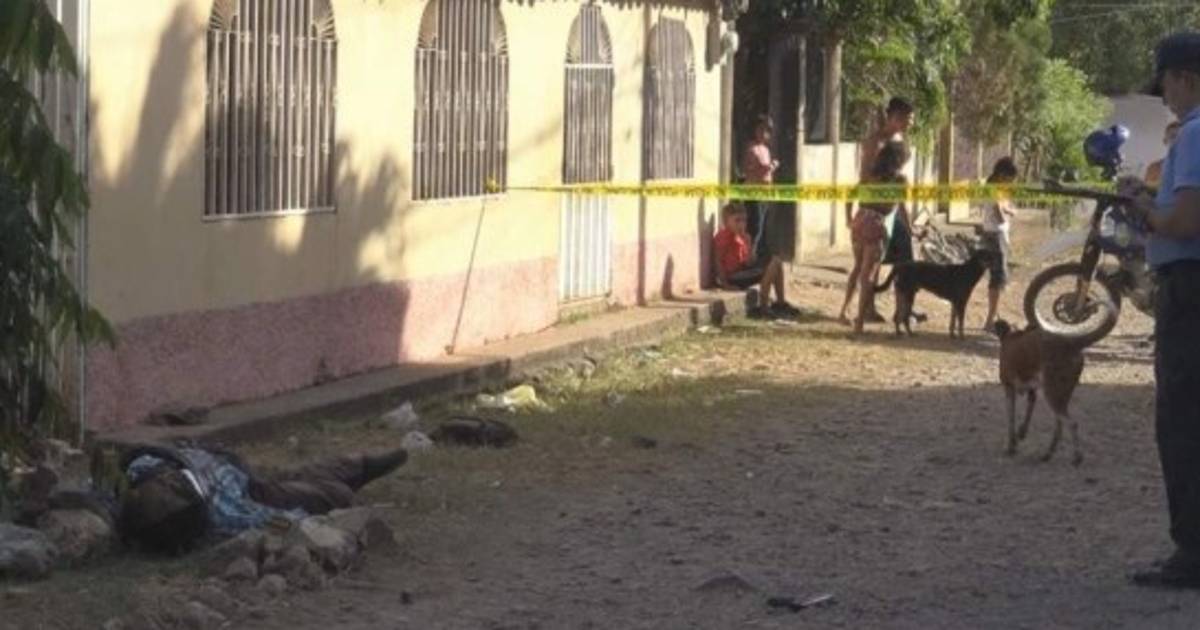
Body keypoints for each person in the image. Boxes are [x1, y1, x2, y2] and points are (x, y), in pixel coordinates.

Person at [1121, 31, 1200, 589]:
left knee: (1182, 421)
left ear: (1186, 78)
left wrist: (1144, 211)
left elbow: (1186, 222)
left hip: (1189, 290)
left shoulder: (1194, 134)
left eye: (1167, 84)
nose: (1165, 97)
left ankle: (1192, 554)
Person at [116, 443, 408, 554]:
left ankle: (360, 466)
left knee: (298, 478)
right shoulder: (222, 514)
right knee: (323, 490)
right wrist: (308, 525)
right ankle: (358, 470)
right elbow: (269, 521)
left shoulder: (143, 468)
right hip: (246, 483)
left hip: (236, 469)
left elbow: (265, 520)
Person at [849, 97, 915, 322]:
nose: (909, 125)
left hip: (894, 209)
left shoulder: (900, 140)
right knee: (869, 265)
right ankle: (866, 310)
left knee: (904, 260)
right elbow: (864, 179)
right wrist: (889, 185)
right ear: (895, 117)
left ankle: (903, 309)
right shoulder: (874, 143)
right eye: (907, 120)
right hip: (875, 211)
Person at [839, 140, 910, 333]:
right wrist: (911, 230)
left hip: (860, 220)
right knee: (868, 276)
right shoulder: (899, 181)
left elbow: (850, 196)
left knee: (857, 268)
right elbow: (902, 209)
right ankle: (859, 323)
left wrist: (849, 219)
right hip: (877, 225)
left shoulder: (869, 175)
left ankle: (844, 311)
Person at [714, 202, 798, 319]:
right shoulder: (723, 236)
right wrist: (725, 284)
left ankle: (780, 303)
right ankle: (763, 308)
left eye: (744, 221)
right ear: (726, 222)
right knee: (773, 263)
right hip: (733, 277)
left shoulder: (743, 237)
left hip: (743, 271)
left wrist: (748, 244)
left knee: (777, 261)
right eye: (737, 221)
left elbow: (749, 262)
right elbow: (717, 261)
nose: (741, 224)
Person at [980, 157, 1019, 331]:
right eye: (1010, 179)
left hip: (991, 234)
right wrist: (1011, 211)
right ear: (1002, 175)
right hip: (996, 235)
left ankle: (993, 316)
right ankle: (990, 321)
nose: (1011, 183)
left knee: (996, 278)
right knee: (997, 279)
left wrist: (1007, 208)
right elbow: (1000, 215)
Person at [742, 116, 781, 260]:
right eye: (761, 129)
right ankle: (749, 255)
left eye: (766, 131)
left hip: (765, 193)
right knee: (755, 225)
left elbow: (766, 173)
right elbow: (752, 170)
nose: (763, 133)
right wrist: (770, 167)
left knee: (762, 225)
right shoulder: (752, 149)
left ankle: (757, 254)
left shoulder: (766, 150)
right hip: (753, 192)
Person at [1146, 120, 1183, 187]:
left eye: (1181, 138)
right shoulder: (1154, 168)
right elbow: (1148, 189)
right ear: (1165, 141)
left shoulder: (1193, 167)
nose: (1177, 141)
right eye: (1173, 137)